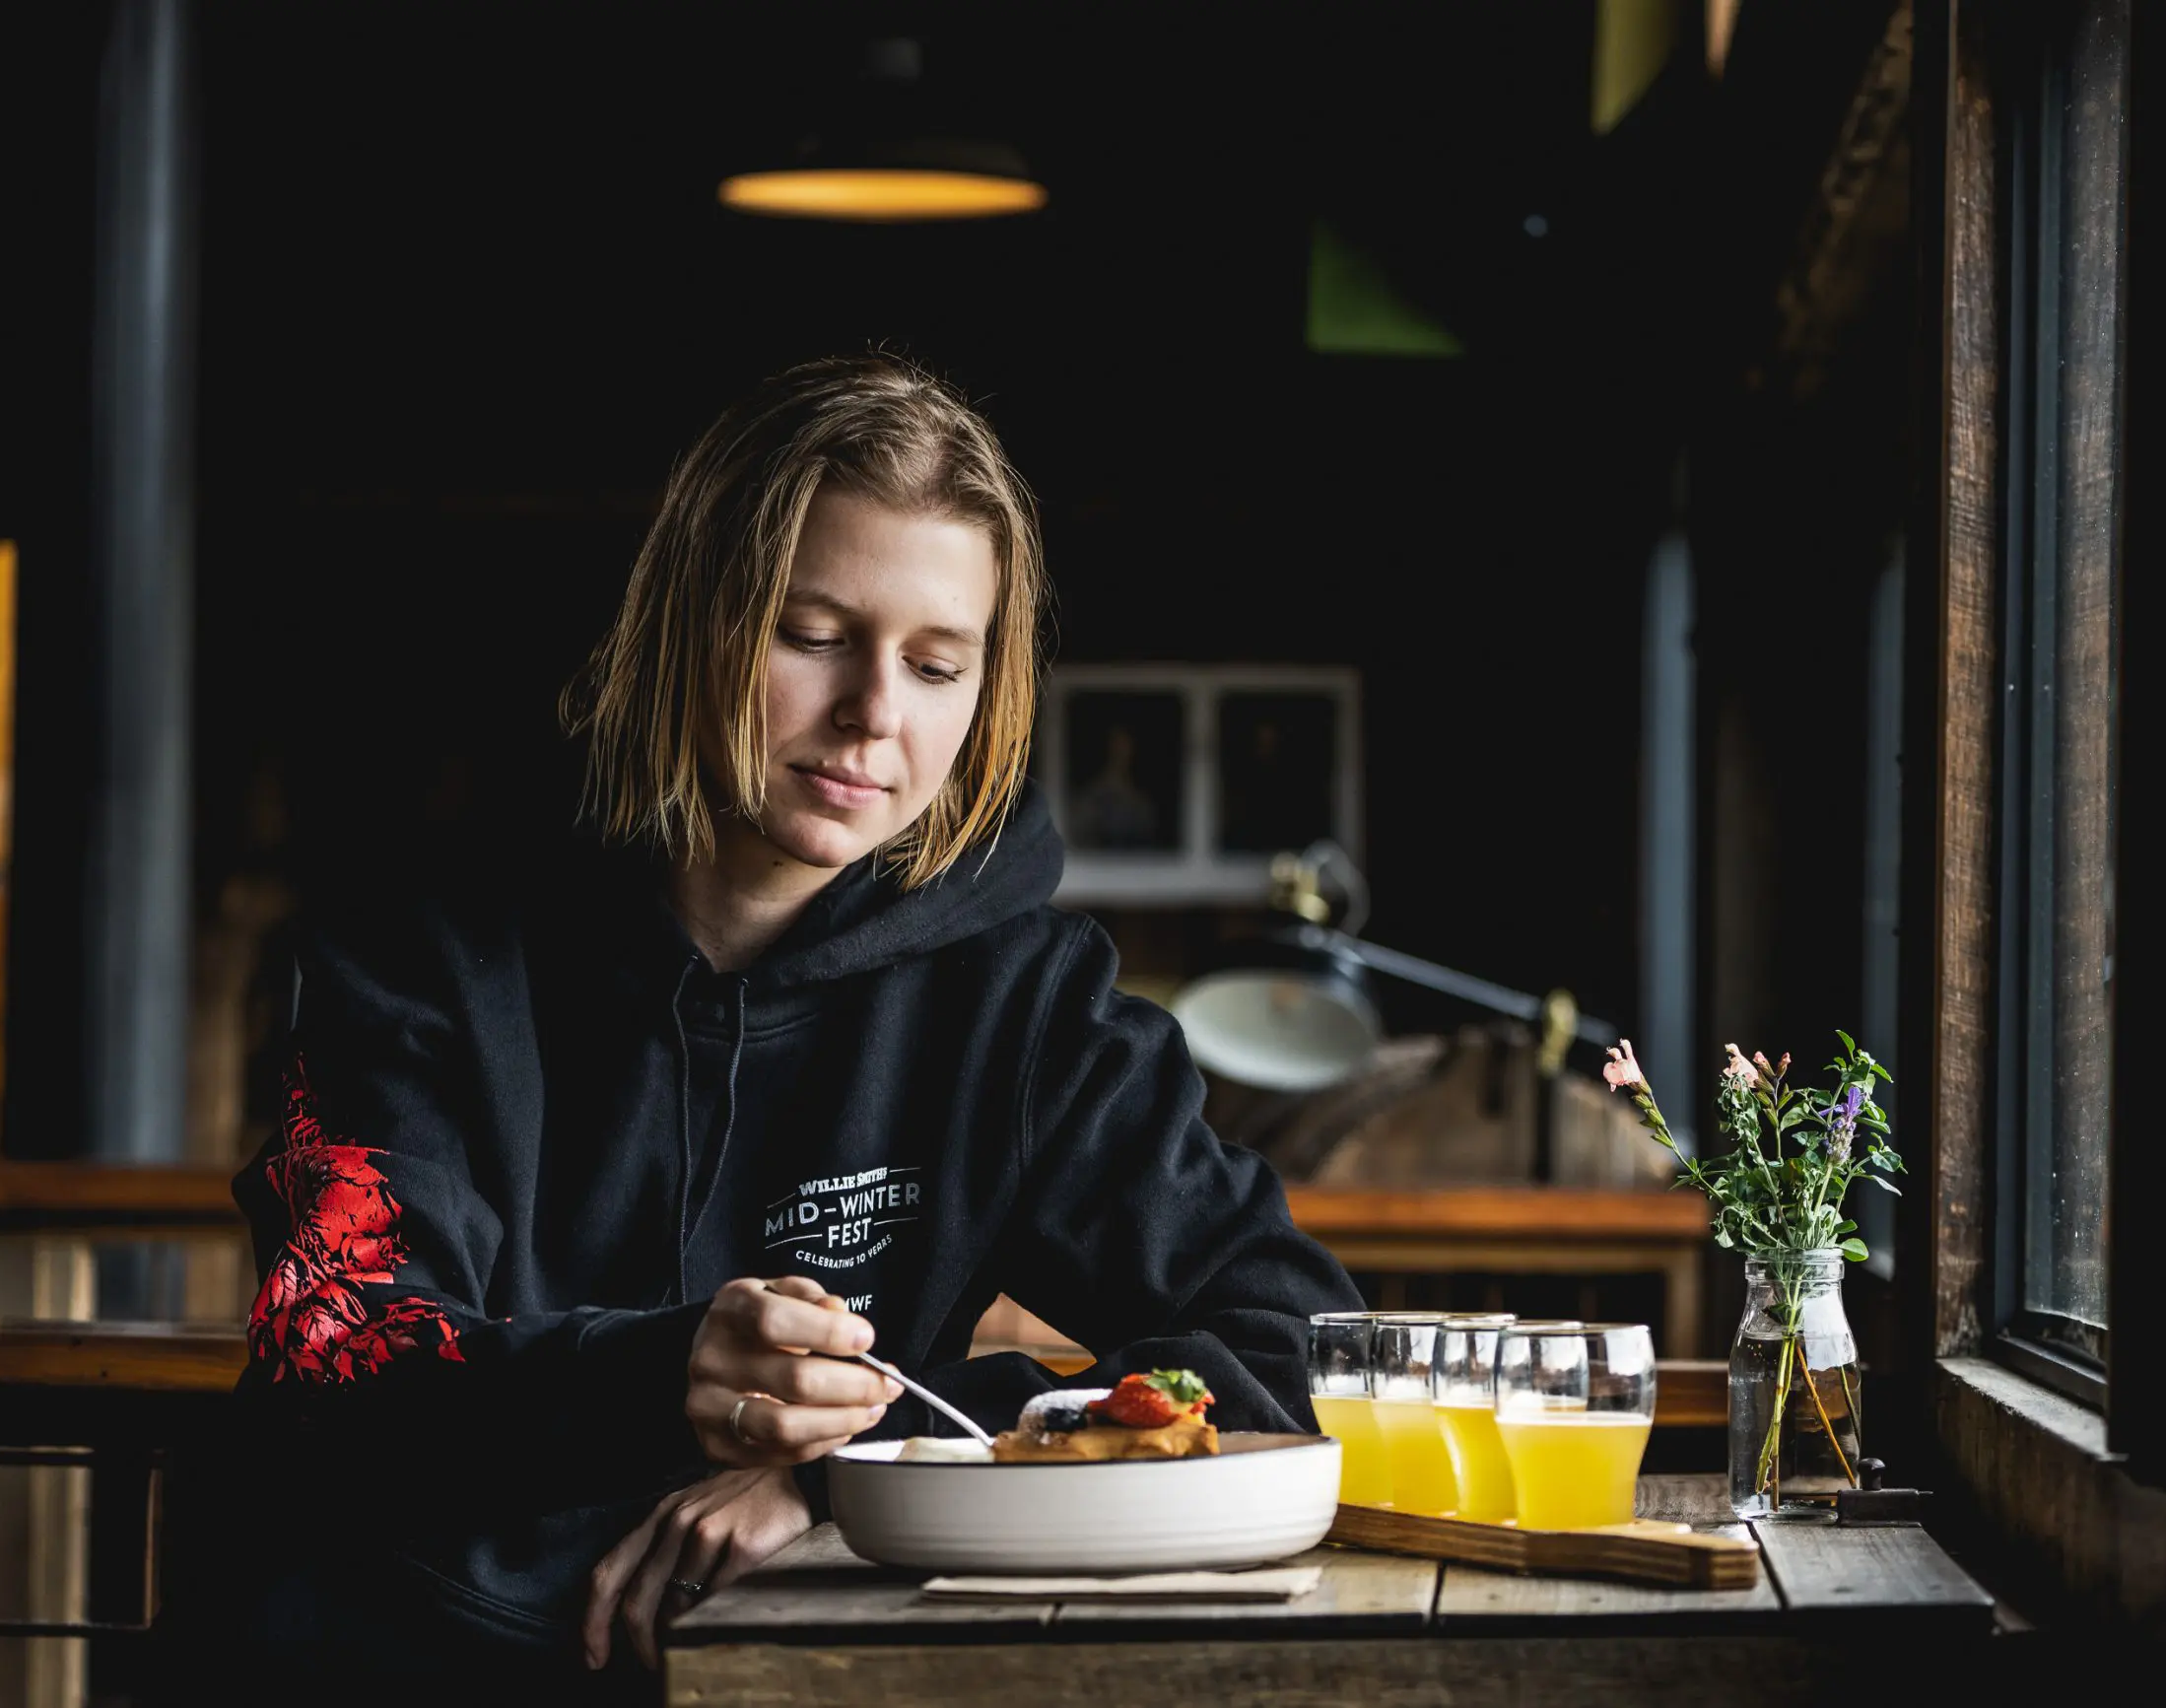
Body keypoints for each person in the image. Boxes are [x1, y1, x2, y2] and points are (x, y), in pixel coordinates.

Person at [192, 354, 1362, 1700]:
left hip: (773, 1678)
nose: (875, 715)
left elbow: (1290, 1345)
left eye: (937, 664)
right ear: (695, 621)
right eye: (812, 637)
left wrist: (858, 1471)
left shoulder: (1022, 1005)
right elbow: (333, 1339)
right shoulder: (426, 954)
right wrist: (659, 1378)